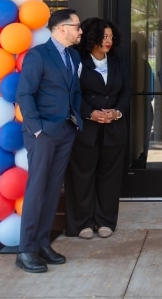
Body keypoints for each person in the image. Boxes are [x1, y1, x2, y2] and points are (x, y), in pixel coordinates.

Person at [13, 8, 84, 274]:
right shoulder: (38, 55)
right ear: (61, 29)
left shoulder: (74, 56)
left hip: (65, 130)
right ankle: (26, 250)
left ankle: (42, 244)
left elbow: (75, 91)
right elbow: (25, 94)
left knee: (53, 190)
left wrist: (75, 119)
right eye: (77, 26)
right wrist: (37, 129)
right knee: (37, 190)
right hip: (42, 134)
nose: (80, 31)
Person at [65, 17, 131, 240]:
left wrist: (116, 112)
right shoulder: (78, 61)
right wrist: (90, 113)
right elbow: (73, 93)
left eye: (111, 37)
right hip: (86, 129)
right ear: (92, 37)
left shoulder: (116, 62)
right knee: (81, 177)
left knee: (110, 178)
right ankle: (82, 223)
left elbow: (125, 92)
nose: (108, 41)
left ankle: (105, 221)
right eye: (104, 36)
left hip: (113, 129)